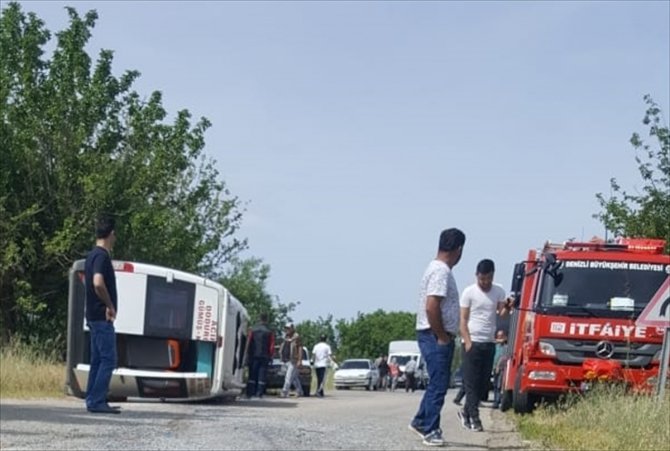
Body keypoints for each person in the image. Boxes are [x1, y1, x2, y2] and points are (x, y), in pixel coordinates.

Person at [408, 228, 466, 447]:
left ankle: (421, 420)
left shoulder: (436, 269)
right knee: (440, 384)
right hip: (434, 335)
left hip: (433, 333)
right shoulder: (441, 271)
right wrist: (441, 335)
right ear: (458, 250)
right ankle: (430, 429)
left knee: (437, 382)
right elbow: (432, 306)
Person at [457, 259, 512, 432]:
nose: (484, 282)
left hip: (489, 342)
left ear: (492, 276)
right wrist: (467, 342)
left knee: (483, 385)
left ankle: (465, 412)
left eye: (487, 279)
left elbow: (502, 314)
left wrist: (509, 306)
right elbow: (463, 320)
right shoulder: (469, 292)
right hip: (472, 341)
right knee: (471, 383)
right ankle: (475, 418)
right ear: (477, 276)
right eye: (481, 279)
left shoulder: (498, 291)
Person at [84, 215, 120, 414]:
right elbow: (98, 282)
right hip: (101, 316)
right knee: (108, 359)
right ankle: (97, 400)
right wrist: (109, 305)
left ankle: (92, 398)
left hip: (92, 315)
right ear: (110, 234)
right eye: (114, 235)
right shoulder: (101, 256)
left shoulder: (91, 256)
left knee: (97, 360)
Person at [245, 313, 275, 398]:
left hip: (253, 355)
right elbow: (271, 345)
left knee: (252, 375)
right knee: (262, 375)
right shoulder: (269, 332)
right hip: (264, 356)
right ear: (267, 319)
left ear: (259, 319)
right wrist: (271, 356)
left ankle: (250, 393)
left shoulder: (253, 330)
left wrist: (247, 354)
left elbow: (249, 342)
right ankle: (259, 393)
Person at [279, 323, 304, 397]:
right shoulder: (285, 337)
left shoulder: (296, 337)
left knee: (288, 376)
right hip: (285, 360)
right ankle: (300, 391)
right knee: (294, 378)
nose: (286, 330)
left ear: (292, 329)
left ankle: (284, 392)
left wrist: (300, 360)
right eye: (285, 328)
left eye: (288, 328)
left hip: (293, 360)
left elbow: (300, 348)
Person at [491, 330, 508, 409]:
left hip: (501, 368)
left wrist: (498, 366)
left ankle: (497, 401)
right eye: (498, 336)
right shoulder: (494, 346)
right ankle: (495, 400)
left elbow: (504, 357)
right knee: (495, 385)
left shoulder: (506, 347)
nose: (499, 337)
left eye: (501, 336)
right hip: (494, 367)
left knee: (499, 385)